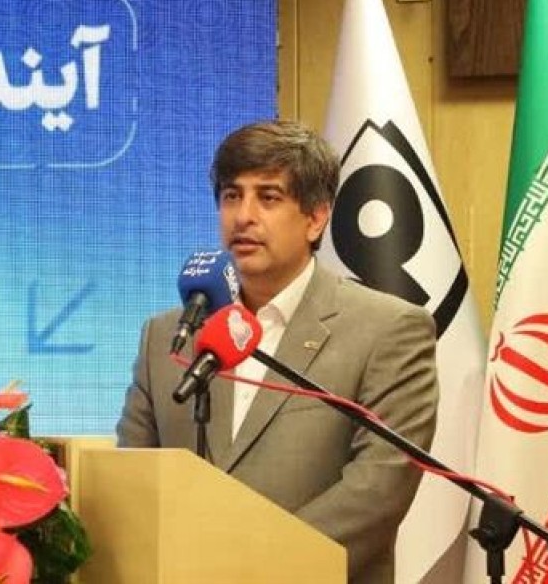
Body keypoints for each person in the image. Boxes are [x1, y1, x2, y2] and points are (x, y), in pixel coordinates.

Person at [117, 119, 439, 584]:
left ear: (316, 218)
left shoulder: (388, 330)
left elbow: (377, 490)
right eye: (232, 196)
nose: (243, 216)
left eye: (268, 198)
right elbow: (133, 478)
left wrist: (244, 570)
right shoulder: (168, 335)